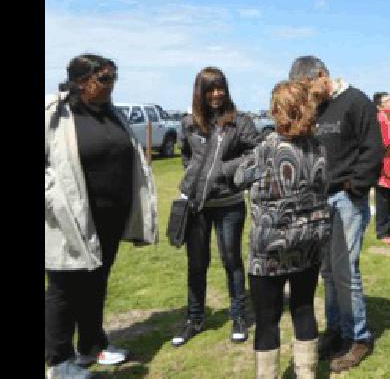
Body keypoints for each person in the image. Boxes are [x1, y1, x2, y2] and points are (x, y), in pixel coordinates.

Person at [45, 54, 158, 378]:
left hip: (108, 219)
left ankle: (91, 346)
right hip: (67, 221)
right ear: (82, 82)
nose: (112, 86)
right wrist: (53, 197)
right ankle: (59, 362)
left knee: (96, 283)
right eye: (105, 79)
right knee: (64, 288)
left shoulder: (112, 114)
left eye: (114, 78)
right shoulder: (55, 114)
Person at [288, 56, 383, 373]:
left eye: (308, 88)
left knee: (346, 273)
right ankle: (336, 330)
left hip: (347, 201)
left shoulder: (357, 102)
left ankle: (359, 337)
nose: (307, 96)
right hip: (321, 200)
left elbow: (373, 150)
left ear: (322, 76)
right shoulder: (317, 109)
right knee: (328, 272)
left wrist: (355, 188)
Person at [233, 81, 331, 379]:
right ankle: (307, 374)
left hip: (270, 246)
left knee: (267, 320)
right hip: (309, 241)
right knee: (303, 309)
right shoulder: (319, 148)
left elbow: (239, 177)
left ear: (278, 110)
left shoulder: (266, 149)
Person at [172, 67, 260, 347]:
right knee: (197, 263)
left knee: (231, 260)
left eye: (220, 87)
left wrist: (222, 170)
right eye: (210, 89)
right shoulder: (188, 123)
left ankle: (238, 316)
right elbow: (186, 156)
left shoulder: (240, 122)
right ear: (200, 92)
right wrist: (196, 177)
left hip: (230, 204)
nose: (217, 94)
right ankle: (194, 319)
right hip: (197, 206)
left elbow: (255, 154)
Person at [373, 92, 390, 245]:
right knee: (383, 197)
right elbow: (383, 142)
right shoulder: (379, 121)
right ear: (380, 106)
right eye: (388, 100)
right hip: (383, 163)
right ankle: (382, 231)